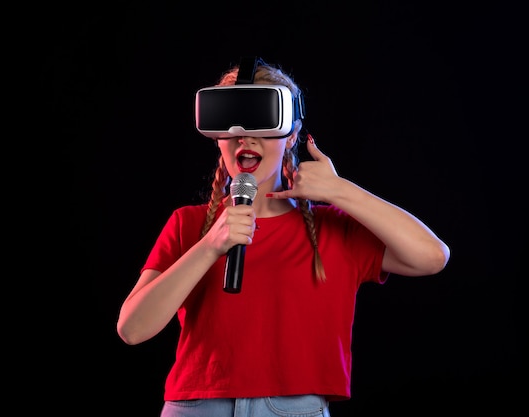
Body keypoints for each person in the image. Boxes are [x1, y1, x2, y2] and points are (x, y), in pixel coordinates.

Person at [116, 58, 450, 417]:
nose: (245, 136)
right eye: (233, 122)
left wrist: (340, 191)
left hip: (294, 409)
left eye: (262, 121)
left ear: (291, 134)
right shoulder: (189, 225)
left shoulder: (334, 230)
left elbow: (432, 256)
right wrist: (211, 245)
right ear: (218, 139)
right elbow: (132, 329)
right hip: (196, 408)